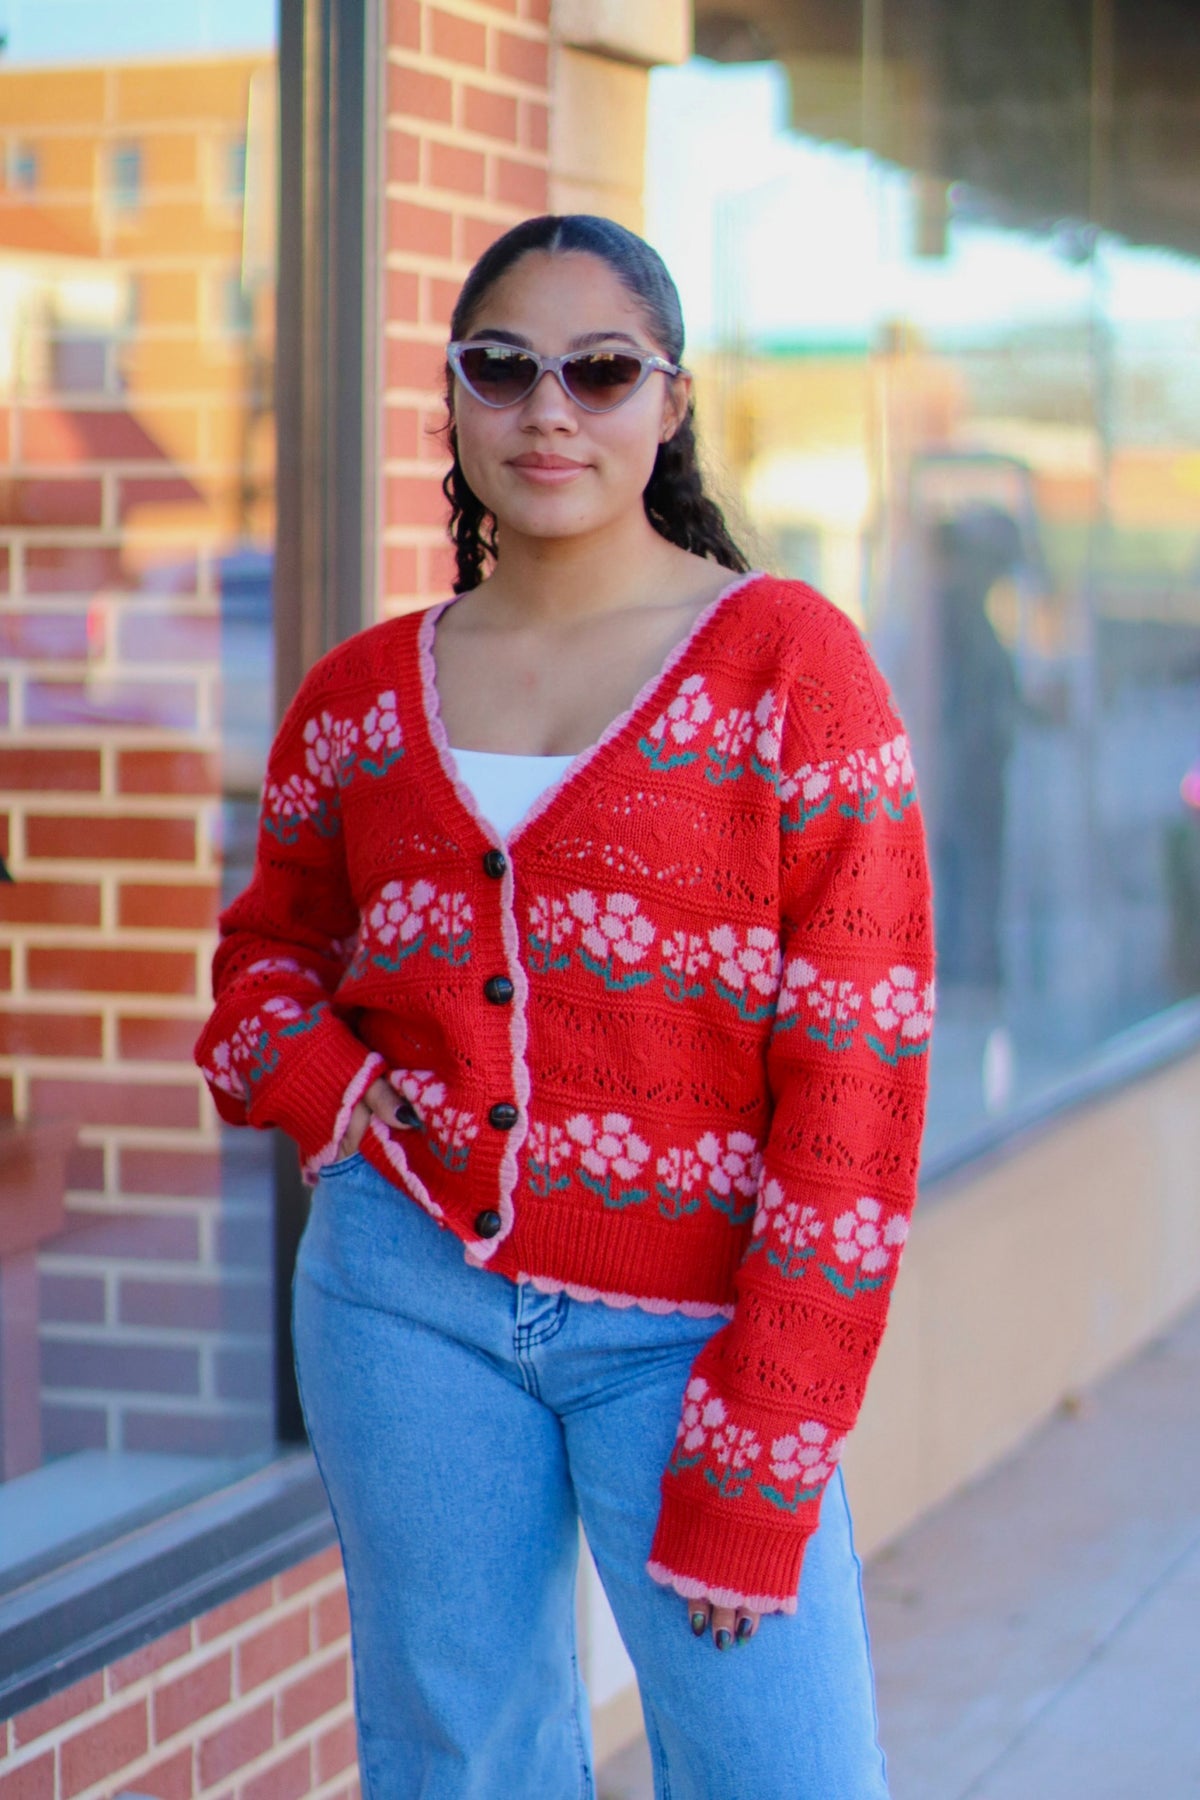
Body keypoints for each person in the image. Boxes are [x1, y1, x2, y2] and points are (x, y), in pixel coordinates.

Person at [196, 214, 935, 1799]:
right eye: (503, 367)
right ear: (454, 399)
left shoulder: (789, 667)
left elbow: (860, 1083)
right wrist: (333, 1091)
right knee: (462, 1761)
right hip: (404, 1303)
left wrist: (769, 1440)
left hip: (697, 1335)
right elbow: (262, 963)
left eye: (600, 371)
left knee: (784, 1771)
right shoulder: (359, 694)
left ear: (670, 402)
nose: (549, 409)